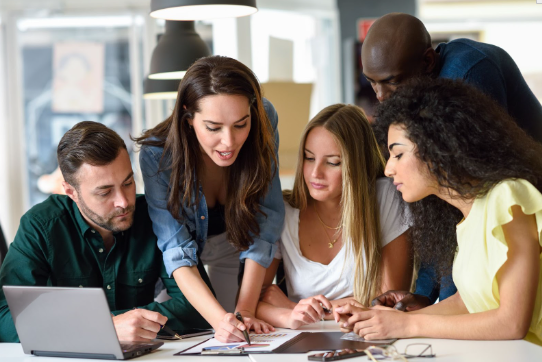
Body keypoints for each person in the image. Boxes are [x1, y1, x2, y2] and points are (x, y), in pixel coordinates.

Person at [334, 78, 542, 346]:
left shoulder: (508, 198)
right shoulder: (466, 217)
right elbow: (468, 302)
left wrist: (407, 324)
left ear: (438, 147)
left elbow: (512, 322)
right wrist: (379, 318)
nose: (388, 169)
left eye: (397, 154)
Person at [361, 12, 542, 309]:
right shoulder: (421, 94)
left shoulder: (468, 76)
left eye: (392, 81)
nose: (381, 96)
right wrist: (423, 295)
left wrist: (437, 302)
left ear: (428, 62)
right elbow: (440, 205)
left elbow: (460, 205)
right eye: (371, 83)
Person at [0, 121, 207, 343]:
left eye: (128, 183)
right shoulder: (41, 226)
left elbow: (199, 308)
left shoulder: (154, 217)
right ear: (71, 192)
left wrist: (120, 324)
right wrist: (102, 327)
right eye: (105, 192)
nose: (123, 202)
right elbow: (5, 319)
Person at [135, 55, 284, 343]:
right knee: (196, 334)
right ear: (188, 116)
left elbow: (267, 217)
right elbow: (177, 251)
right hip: (185, 261)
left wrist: (245, 310)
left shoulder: (265, 118)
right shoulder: (157, 155)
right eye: (213, 128)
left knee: (242, 332)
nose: (229, 142)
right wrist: (220, 322)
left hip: (237, 241)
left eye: (241, 124)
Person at [255, 104, 412, 329]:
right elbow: (255, 302)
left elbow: (389, 301)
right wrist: (289, 315)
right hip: (301, 340)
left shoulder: (385, 197)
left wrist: (293, 307)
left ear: (356, 165)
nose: (315, 173)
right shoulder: (284, 211)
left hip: (368, 336)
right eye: (309, 158)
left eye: (332, 162)